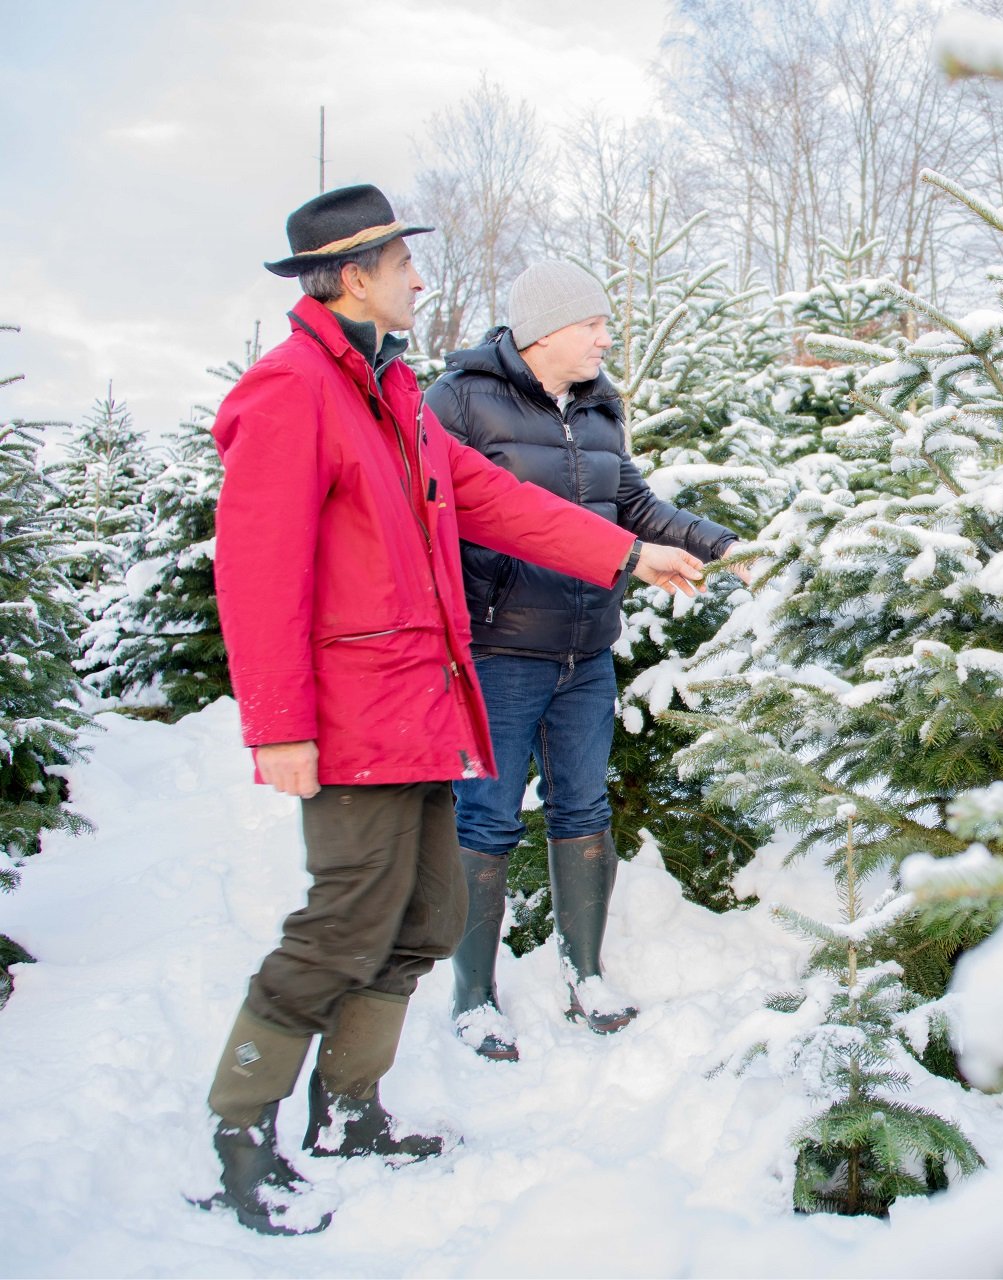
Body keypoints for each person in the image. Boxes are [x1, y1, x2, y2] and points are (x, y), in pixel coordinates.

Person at [197, 186, 704, 1236]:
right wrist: (278, 725)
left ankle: (350, 1111)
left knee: (426, 915)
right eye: (402, 265)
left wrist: (629, 552)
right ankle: (241, 1134)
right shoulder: (293, 392)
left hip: (422, 706)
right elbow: (255, 571)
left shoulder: (390, 393)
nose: (420, 280)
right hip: (350, 717)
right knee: (344, 922)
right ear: (353, 276)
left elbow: (494, 499)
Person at [423, 260, 740, 1064]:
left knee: (583, 807)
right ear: (543, 331)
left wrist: (724, 547)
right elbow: (442, 510)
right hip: (498, 648)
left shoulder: (599, 405)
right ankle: (472, 995)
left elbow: (633, 504)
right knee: (486, 818)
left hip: (586, 647)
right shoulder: (459, 400)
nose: (606, 337)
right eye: (592, 324)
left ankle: (585, 974)